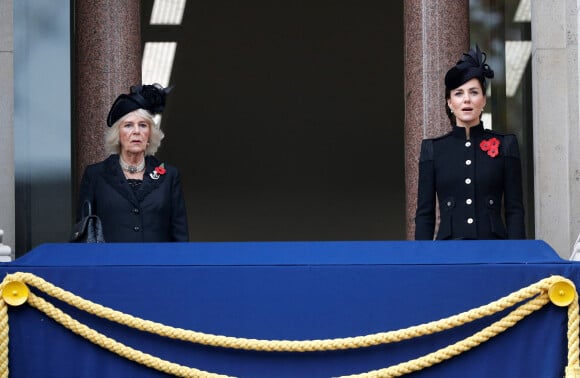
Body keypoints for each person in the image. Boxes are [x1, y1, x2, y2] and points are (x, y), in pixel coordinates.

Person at [415, 45, 526, 240]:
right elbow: (425, 215)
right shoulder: (433, 149)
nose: (466, 99)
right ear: (450, 103)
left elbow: (514, 210)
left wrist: (517, 258)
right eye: (458, 93)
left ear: (483, 100)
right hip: (448, 253)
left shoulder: (506, 145)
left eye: (474, 92)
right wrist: (420, 263)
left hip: (495, 250)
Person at [77, 83, 189, 242]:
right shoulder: (95, 175)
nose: (136, 131)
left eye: (143, 125)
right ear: (118, 134)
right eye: (128, 125)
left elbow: (180, 236)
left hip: (156, 264)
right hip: (110, 264)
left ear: (150, 134)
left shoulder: (169, 175)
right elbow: (84, 233)